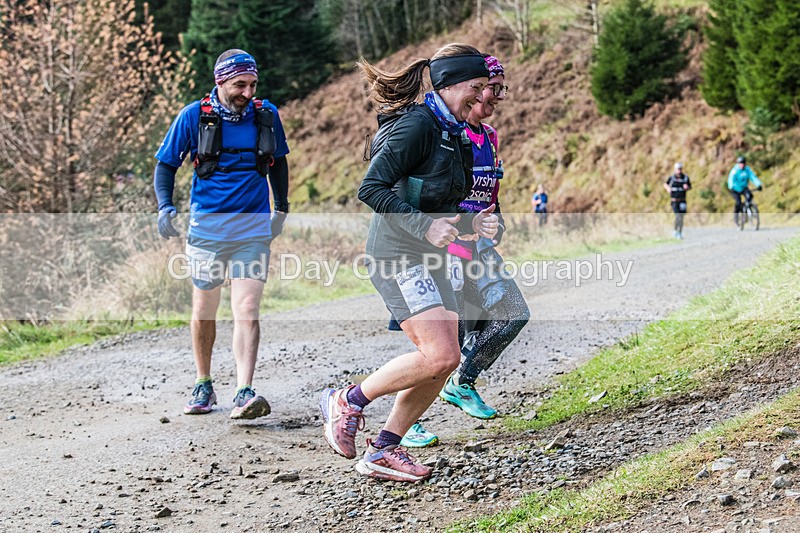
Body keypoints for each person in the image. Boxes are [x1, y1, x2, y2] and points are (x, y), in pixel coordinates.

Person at [319, 43, 497, 482]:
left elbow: (446, 202)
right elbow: (372, 188)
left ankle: (383, 450)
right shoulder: (418, 124)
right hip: (397, 255)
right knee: (439, 354)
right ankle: (348, 399)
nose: (482, 97)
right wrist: (424, 227)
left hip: (432, 256)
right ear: (451, 84)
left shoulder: (455, 130)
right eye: (476, 87)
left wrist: (479, 225)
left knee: (446, 358)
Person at [399, 55, 530, 448]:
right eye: (493, 87)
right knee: (441, 345)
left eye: (502, 88)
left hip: (479, 246)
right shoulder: (445, 133)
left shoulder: (489, 136)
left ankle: (463, 382)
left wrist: (497, 223)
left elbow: (491, 196)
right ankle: (404, 422)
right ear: (471, 88)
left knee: (512, 314)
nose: (498, 96)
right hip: (442, 247)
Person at [153, 49, 290, 420]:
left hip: (253, 228)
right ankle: (204, 382)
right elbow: (165, 165)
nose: (247, 92)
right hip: (207, 229)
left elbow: (278, 162)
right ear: (220, 82)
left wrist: (282, 207)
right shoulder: (194, 116)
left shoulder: (266, 115)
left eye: (252, 84)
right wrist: (166, 207)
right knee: (204, 307)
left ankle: (244, 391)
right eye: (239, 85)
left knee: (247, 306)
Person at [727, 156, 762, 225]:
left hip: (744, 187)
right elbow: (731, 178)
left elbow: (753, 177)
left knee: (750, 196)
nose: (742, 165)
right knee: (738, 202)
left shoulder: (747, 170)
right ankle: (736, 217)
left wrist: (758, 184)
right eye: (740, 163)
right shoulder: (735, 170)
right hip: (735, 188)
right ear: (738, 164)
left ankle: (747, 209)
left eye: (743, 163)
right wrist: (731, 186)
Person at [663, 162, 691, 239]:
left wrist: (687, 187)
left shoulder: (685, 178)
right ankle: (675, 231)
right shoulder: (672, 178)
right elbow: (665, 184)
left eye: (680, 169)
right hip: (674, 201)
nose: (679, 170)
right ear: (675, 170)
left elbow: (689, 186)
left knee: (681, 217)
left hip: (682, 200)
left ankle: (680, 232)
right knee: (678, 216)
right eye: (678, 169)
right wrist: (668, 188)